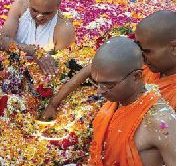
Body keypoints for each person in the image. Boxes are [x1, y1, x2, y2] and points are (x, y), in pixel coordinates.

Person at [41, 10, 176, 120]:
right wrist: (54, 103)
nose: (141, 55)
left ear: (174, 48)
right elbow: (90, 69)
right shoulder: (147, 60)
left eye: (147, 51)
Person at [75, 37, 175, 166]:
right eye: (96, 83)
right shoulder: (116, 101)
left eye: (108, 85)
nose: (99, 92)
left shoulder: (161, 121)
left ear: (136, 77)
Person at [0, 0, 75, 75]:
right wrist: (33, 51)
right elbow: (2, 42)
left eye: (47, 13)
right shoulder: (20, 7)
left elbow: (60, 70)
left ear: (58, 5)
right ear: (29, 0)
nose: (40, 17)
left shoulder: (64, 30)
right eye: (34, 10)